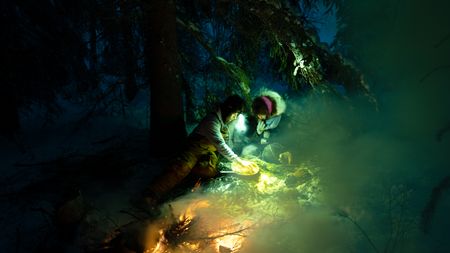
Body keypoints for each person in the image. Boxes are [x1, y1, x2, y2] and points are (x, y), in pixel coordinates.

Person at [138, 95, 258, 207]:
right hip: (194, 148)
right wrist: (239, 161)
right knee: (180, 168)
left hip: (209, 151)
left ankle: (188, 179)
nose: (235, 117)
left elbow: (226, 142)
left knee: (208, 170)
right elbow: (220, 144)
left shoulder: (225, 121)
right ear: (228, 109)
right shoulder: (212, 121)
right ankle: (150, 195)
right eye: (235, 114)